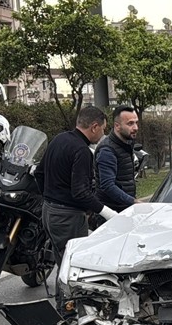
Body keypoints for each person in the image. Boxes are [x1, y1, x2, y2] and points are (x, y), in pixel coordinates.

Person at [35, 106, 117, 267]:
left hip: (48, 213)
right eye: (103, 129)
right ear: (94, 127)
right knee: (74, 268)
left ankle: (61, 292)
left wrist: (49, 197)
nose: (103, 134)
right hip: (68, 217)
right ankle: (65, 293)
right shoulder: (82, 151)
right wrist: (109, 213)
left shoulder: (59, 139)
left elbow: (39, 173)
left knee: (63, 262)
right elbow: (81, 193)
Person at [95, 105, 141, 213]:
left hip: (125, 210)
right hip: (112, 214)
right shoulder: (107, 150)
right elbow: (107, 186)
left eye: (136, 123)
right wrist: (133, 202)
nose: (135, 127)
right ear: (117, 126)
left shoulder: (126, 144)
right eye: (130, 123)